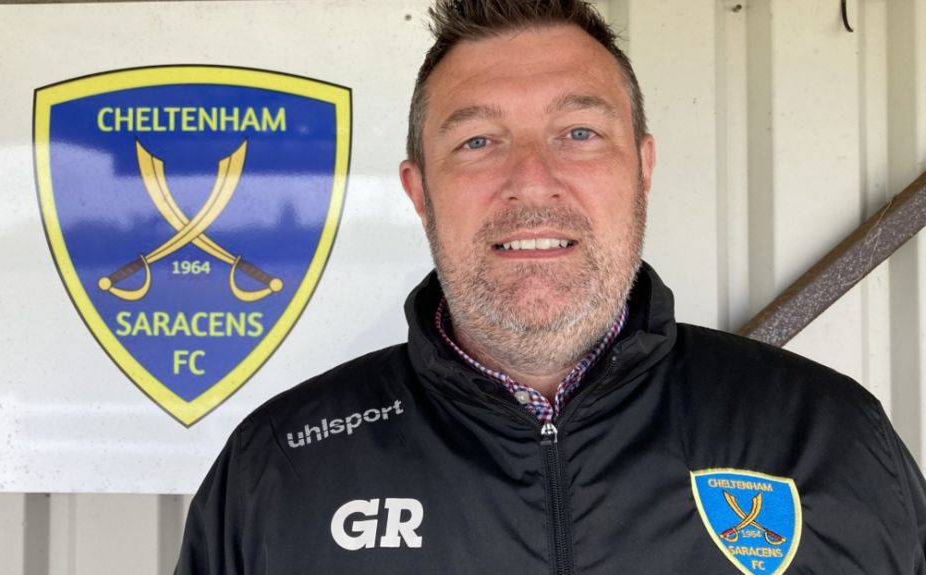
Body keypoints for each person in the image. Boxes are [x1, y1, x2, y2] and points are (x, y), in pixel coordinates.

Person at [176, 1, 926, 573]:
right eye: (477, 141)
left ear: (643, 166)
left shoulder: (831, 439)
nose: (531, 180)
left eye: (579, 134)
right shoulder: (278, 472)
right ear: (419, 191)